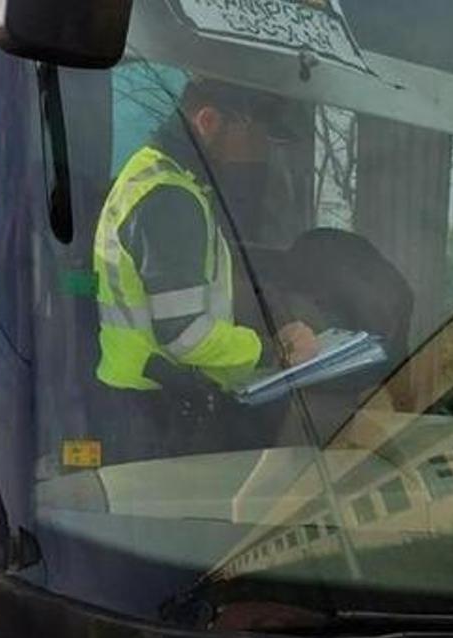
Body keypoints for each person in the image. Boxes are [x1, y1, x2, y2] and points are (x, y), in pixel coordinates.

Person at [90, 78, 319, 458]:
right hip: (155, 417)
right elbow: (184, 335)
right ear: (209, 121)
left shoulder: (152, 175)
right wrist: (274, 352)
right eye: (255, 139)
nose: (260, 156)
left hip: (138, 398)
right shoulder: (170, 198)